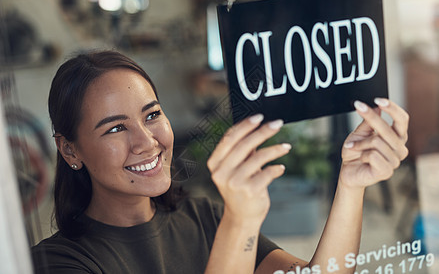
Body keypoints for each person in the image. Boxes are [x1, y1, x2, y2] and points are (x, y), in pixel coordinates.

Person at [31, 50, 409, 274]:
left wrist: (352, 183)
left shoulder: (201, 217)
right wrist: (240, 221)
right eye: (115, 129)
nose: (147, 142)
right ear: (70, 150)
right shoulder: (56, 263)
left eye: (151, 116)